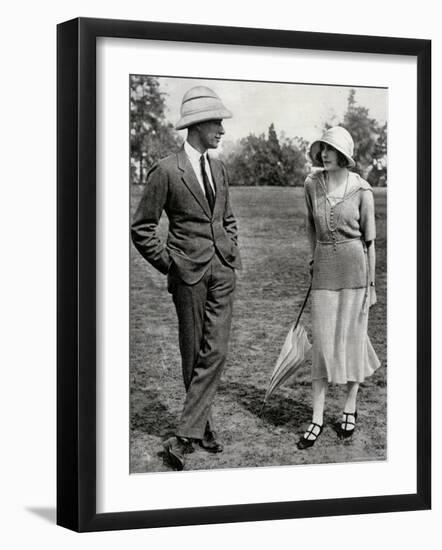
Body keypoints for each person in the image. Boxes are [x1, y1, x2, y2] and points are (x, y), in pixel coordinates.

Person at [131, 86, 241, 470]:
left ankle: (185, 433)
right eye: (217, 123)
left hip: (222, 269)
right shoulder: (165, 170)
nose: (222, 131)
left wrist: (229, 248)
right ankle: (202, 429)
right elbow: (142, 227)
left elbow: (227, 217)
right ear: (196, 125)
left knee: (218, 351)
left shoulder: (219, 168)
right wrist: (170, 264)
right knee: (193, 353)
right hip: (188, 274)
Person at [297, 126, 381, 450]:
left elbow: (370, 243)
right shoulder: (311, 184)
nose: (324, 154)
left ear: (344, 154)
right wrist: (311, 257)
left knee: (353, 341)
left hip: (355, 272)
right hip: (324, 273)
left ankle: (349, 406)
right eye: (322, 149)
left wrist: (372, 285)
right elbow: (309, 224)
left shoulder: (363, 191)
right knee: (322, 345)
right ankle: (316, 418)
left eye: (330, 149)